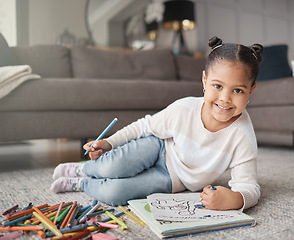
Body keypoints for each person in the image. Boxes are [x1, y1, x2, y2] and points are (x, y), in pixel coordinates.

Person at [51, 36, 263, 210]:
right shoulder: (185, 109)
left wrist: (235, 200)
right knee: (113, 165)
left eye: (238, 90)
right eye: (217, 86)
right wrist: (110, 143)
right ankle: (86, 169)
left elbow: (249, 187)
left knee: (113, 194)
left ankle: (83, 182)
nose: (225, 98)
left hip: (172, 179)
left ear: (251, 90)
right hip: (158, 147)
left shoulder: (242, 134)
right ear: (205, 81)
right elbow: (143, 126)